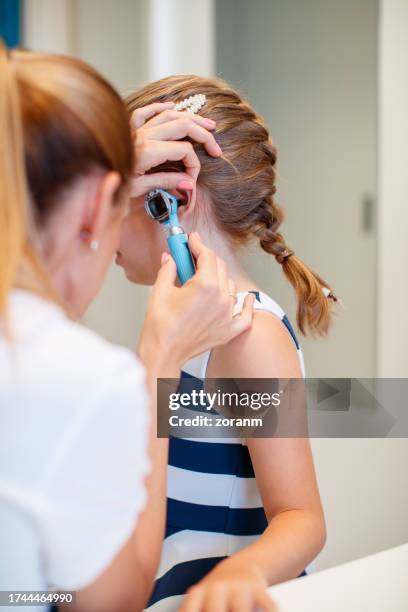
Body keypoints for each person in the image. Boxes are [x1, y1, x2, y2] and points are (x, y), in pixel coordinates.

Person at [0, 45, 255, 612]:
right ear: (96, 207)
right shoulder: (84, 379)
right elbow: (108, 603)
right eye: (121, 203)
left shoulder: (251, 333)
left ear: (173, 201)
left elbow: (301, 505)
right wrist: (159, 360)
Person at [118, 74, 339, 612]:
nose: (99, 226)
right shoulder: (180, 323)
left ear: (166, 203)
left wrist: (238, 576)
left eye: (115, 197)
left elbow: (301, 517)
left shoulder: (248, 336)